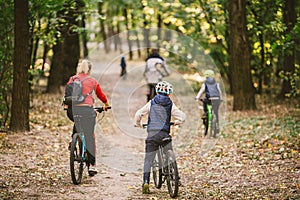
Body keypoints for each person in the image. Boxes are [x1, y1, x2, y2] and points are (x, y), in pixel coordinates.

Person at [134, 81, 186, 194]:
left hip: (152, 135)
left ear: (157, 92)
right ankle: (176, 177)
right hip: (164, 134)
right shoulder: (170, 104)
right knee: (169, 151)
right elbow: (182, 116)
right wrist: (177, 121)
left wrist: (138, 124)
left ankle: (146, 182)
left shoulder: (152, 102)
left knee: (148, 159)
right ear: (169, 94)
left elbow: (139, 114)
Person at [65, 59, 110, 175]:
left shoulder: (73, 79)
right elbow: (101, 95)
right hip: (87, 110)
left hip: (72, 111)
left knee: (77, 121)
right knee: (90, 136)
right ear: (89, 69)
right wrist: (106, 104)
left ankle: (73, 140)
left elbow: (67, 94)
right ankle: (92, 165)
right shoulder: (92, 80)